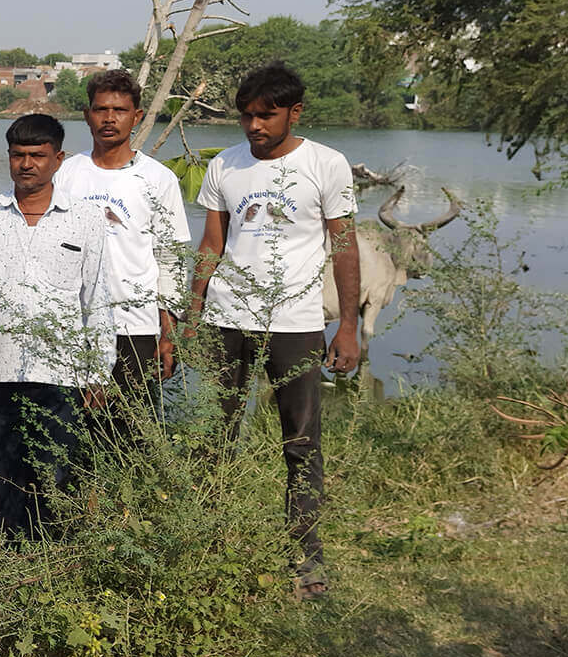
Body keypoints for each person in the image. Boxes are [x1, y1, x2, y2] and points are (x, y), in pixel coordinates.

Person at [188, 61, 359, 598]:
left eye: (266, 115)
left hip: (295, 323)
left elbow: (345, 246)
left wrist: (348, 326)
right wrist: (193, 309)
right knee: (214, 437)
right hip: (226, 317)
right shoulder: (226, 166)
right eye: (246, 117)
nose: (254, 126)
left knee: (302, 442)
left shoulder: (327, 166)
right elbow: (212, 244)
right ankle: (206, 549)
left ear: (294, 112)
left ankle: (306, 561)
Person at [0, 113, 114, 534]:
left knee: (52, 481)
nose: (27, 164)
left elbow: (96, 299)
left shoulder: (84, 219)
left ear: (58, 159)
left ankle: (45, 571)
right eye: (18, 155)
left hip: (60, 377)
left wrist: (98, 372)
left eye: (37, 155)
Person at [54, 70, 191, 405]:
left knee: (130, 433)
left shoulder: (158, 180)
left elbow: (171, 260)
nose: (109, 119)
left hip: (134, 327)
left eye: (120, 111)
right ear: (87, 116)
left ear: (137, 116)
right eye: (101, 110)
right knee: (69, 435)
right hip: (72, 324)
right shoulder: (66, 174)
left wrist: (168, 332)